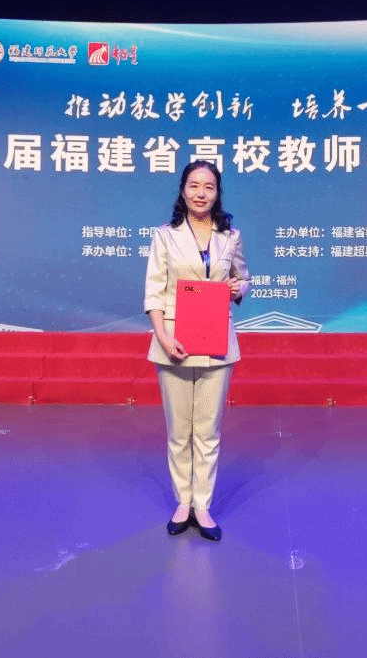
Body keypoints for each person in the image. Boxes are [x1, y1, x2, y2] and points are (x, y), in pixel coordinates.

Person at [144, 160, 250, 541]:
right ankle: (183, 501)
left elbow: (242, 277)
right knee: (179, 431)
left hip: (217, 343)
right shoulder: (164, 236)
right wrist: (162, 336)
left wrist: (239, 288)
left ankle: (202, 504)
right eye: (194, 185)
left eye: (208, 186)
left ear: (217, 192)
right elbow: (154, 291)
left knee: (208, 430)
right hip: (175, 342)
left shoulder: (230, 236)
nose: (201, 193)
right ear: (183, 190)